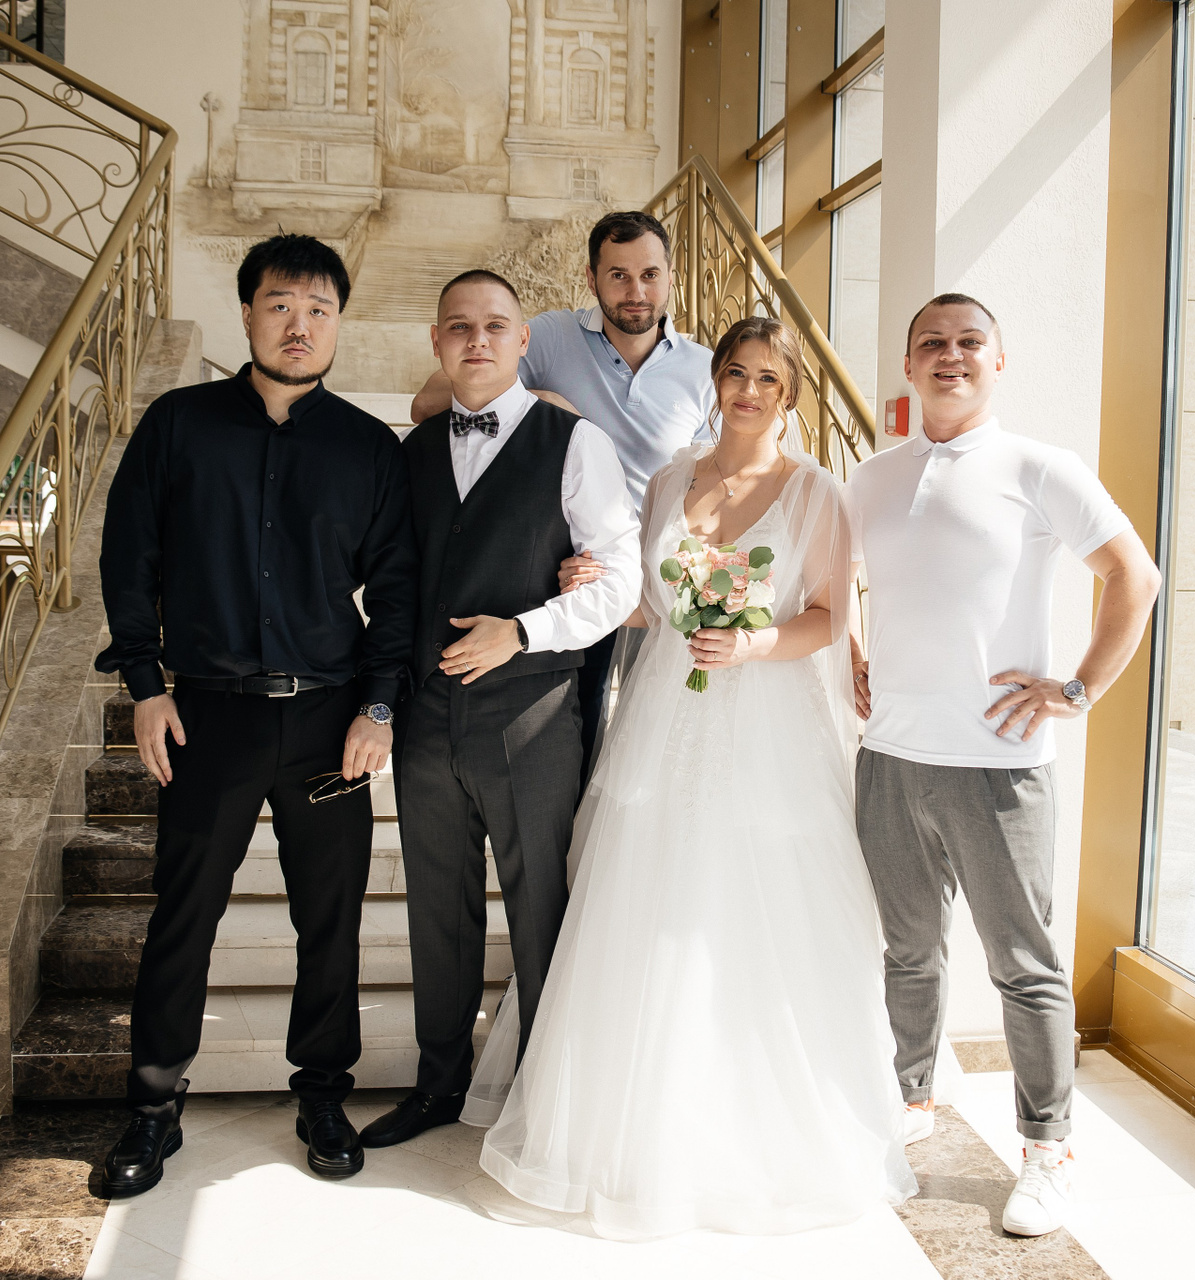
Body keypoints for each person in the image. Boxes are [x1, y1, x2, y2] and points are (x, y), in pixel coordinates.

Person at [474, 316, 915, 1239]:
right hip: (667, 711)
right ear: (714, 381)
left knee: (756, 904)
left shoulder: (818, 492)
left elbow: (829, 616)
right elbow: (648, 603)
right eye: (736, 373)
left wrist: (754, 643)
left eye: (767, 379)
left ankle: (758, 1126)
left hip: (769, 724)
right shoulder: (672, 479)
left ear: (789, 394)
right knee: (647, 893)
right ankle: (629, 1129)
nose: (749, 391)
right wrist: (589, 580)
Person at [93, 234, 417, 1193]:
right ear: (246, 314)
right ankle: (153, 1109)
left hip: (328, 724)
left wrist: (379, 707)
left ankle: (322, 1095)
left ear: (338, 323)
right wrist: (145, 684)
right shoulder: (178, 425)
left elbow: (397, 593)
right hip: (208, 718)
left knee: (331, 919)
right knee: (183, 914)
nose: (299, 325)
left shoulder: (367, 447)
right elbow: (128, 559)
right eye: (281, 305)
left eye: (318, 310)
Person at [849, 293, 1161, 1238]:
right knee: (908, 950)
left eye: (969, 342)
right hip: (889, 753)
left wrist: (1078, 688)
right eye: (931, 344)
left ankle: (1048, 1149)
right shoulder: (871, 476)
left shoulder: (1039, 467)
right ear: (908, 365)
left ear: (998, 360)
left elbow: (1134, 576)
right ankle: (910, 1098)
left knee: (1024, 964)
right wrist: (855, 650)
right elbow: (843, 582)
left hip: (998, 762)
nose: (950, 356)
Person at [366, 269, 641, 1150]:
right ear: (437, 343)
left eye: (495, 326)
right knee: (436, 910)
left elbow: (620, 581)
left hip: (533, 713)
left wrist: (522, 632)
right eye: (459, 327)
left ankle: (546, 1101)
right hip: (426, 718)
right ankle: (438, 1085)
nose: (476, 340)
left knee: (541, 907)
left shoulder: (576, 442)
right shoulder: (409, 453)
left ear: (524, 341)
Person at [409, 211, 715, 766]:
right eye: (618, 275)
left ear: (671, 277)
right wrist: (549, 406)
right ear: (591, 277)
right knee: (580, 730)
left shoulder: (705, 370)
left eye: (649, 274)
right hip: (574, 570)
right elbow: (431, 401)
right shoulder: (550, 336)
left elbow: (715, 482)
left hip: (666, 574)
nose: (636, 291)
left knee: (658, 741)